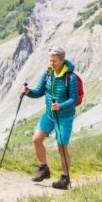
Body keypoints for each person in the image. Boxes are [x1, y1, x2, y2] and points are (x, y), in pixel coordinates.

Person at [23, 46, 79, 190]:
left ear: (62, 60)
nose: (51, 64)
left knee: (61, 147)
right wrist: (28, 92)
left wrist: (60, 106)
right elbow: (40, 91)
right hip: (49, 115)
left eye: (54, 61)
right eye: (50, 61)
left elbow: (74, 99)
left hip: (64, 117)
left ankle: (65, 178)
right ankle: (44, 169)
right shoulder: (48, 73)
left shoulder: (70, 77)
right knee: (36, 139)